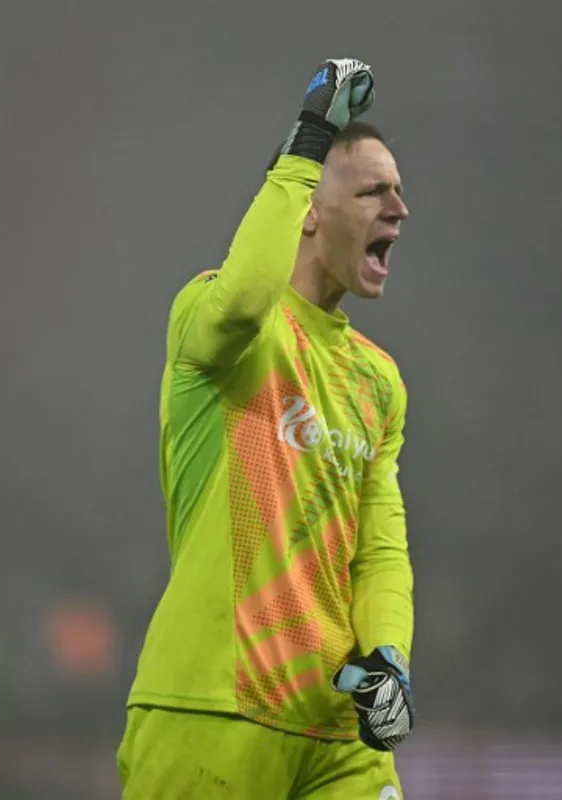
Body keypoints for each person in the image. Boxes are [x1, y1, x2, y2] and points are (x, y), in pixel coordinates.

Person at [117, 59, 415, 799]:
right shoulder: (216, 323)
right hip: (213, 704)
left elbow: (379, 548)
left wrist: (388, 657)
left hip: (336, 728)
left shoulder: (378, 381)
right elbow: (247, 297)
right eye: (376, 190)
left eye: (400, 192)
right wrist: (309, 139)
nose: (400, 209)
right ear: (310, 206)